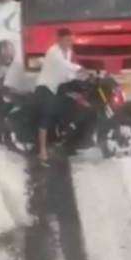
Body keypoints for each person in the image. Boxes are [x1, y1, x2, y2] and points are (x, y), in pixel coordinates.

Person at [35, 27, 82, 162]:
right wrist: (81, 69)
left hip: (59, 86)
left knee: (72, 106)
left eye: (71, 40)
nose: (70, 43)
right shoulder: (53, 52)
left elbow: (67, 73)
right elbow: (65, 65)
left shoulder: (68, 52)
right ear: (59, 40)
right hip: (46, 87)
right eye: (67, 40)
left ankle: (68, 141)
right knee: (47, 115)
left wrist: (80, 78)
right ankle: (42, 150)